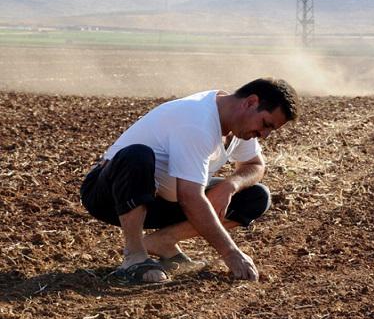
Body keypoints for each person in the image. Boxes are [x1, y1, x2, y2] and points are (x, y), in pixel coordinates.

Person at [79, 78, 299, 284]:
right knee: (137, 155)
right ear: (251, 103)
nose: (265, 134)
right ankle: (134, 256)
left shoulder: (238, 125)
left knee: (256, 196)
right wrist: (231, 253)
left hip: (163, 199)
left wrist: (230, 186)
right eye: (266, 124)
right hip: (111, 194)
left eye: (271, 129)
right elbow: (190, 197)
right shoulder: (197, 121)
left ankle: (163, 241)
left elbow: (255, 165)